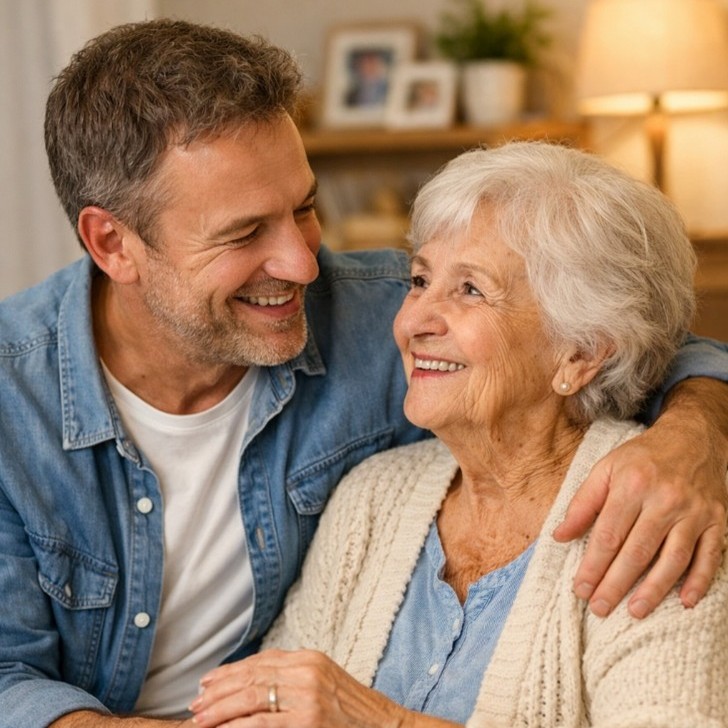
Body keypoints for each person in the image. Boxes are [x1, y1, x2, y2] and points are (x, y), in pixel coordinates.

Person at [0, 18, 726, 728]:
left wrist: (696, 434)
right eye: (245, 233)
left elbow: (651, 340)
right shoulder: (377, 496)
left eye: (306, 209)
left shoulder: (647, 515)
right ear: (111, 243)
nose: (303, 264)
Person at [191, 142, 728, 728]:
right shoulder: (373, 498)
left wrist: (378, 721)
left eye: (471, 290)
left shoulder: (653, 515)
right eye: (420, 280)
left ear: (580, 354)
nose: (413, 321)